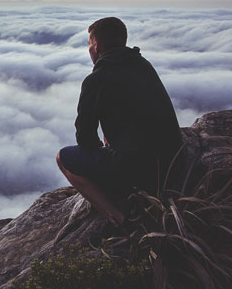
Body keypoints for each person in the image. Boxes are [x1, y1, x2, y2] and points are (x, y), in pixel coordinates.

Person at [56, 17, 181, 230]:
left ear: (95, 47)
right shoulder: (143, 65)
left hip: (139, 173)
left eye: (89, 45)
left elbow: (85, 139)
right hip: (174, 164)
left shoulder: (96, 80)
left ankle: (121, 219)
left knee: (64, 158)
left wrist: (106, 150)